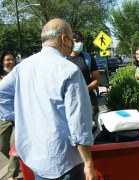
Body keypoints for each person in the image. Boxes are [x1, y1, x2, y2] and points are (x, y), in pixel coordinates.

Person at [0, 18, 96, 179]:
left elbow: (1, 95)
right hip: (65, 160)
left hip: (36, 156)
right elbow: (79, 122)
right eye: (72, 39)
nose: (73, 43)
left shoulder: (22, 67)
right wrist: (88, 163)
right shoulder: (69, 71)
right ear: (64, 39)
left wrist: (21, 117)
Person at [66, 30, 100, 119]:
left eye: (80, 40)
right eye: (76, 40)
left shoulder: (88, 58)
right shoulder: (63, 59)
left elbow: (96, 79)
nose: (79, 43)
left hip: (88, 99)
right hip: (70, 101)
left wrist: (85, 88)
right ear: (70, 42)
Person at [0, 51, 19, 180]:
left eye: (12, 59)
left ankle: (12, 175)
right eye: (7, 60)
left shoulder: (18, 75)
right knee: (2, 147)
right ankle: (19, 160)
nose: (10, 62)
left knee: (15, 145)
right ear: (2, 62)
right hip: (3, 117)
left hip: (18, 117)